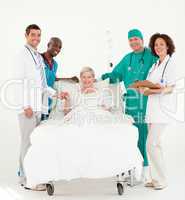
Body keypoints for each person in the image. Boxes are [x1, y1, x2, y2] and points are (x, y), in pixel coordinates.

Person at [101, 29, 157, 182]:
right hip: (131, 103)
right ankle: (132, 169)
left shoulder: (152, 56)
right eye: (130, 40)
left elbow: (159, 77)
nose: (133, 42)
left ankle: (146, 171)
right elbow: (116, 75)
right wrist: (105, 77)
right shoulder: (128, 58)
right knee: (132, 136)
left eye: (136, 39)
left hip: (147, 101)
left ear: (142, 39)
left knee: (145, 136)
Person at [15, 24, 65, 190]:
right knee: (27, 143)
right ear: (26, 35)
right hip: (28, 107)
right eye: (33, 35)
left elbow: (42, 84)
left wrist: (56, 94)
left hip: (37, 106)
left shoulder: (36, 55)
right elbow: (18, 82)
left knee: (34, 142)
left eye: (38, 35)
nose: (36, 38)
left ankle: (31, 175)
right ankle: (27, 180)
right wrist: (25, 105)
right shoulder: (22, 55)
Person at [138, 33, 176, 189]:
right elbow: (151, 85)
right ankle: (156, 179)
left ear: (168, 46)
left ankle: (162, 180)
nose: (158, 47)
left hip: (162, 110)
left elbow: (171, 88)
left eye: (161, 44)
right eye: (155, 45)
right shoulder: (155, 65)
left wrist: (151, 91)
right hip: (152, 110)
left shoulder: (171, 63)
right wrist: (142, 88)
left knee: (150, 144)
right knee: (156, 145)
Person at [41, 37, 62, 120]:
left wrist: (70, 79)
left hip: (48, 103)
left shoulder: (55, 64)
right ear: (48, 45)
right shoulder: (38, 59)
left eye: (60, 47)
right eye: (55, 45)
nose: (57, 49)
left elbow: (53, 78)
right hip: (37, 102)